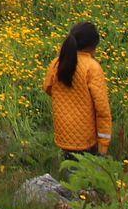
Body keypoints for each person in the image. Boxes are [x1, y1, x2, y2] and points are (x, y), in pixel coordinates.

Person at [43, 21, 112, 168]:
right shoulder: (92, 67)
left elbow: (47, 87)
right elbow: (102, 109)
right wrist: (104, 144)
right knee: (85, 175)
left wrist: (64, 97)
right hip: (86, 138)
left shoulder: (57, 63)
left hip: (64, 134)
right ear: (93, 46)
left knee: (70, 170)